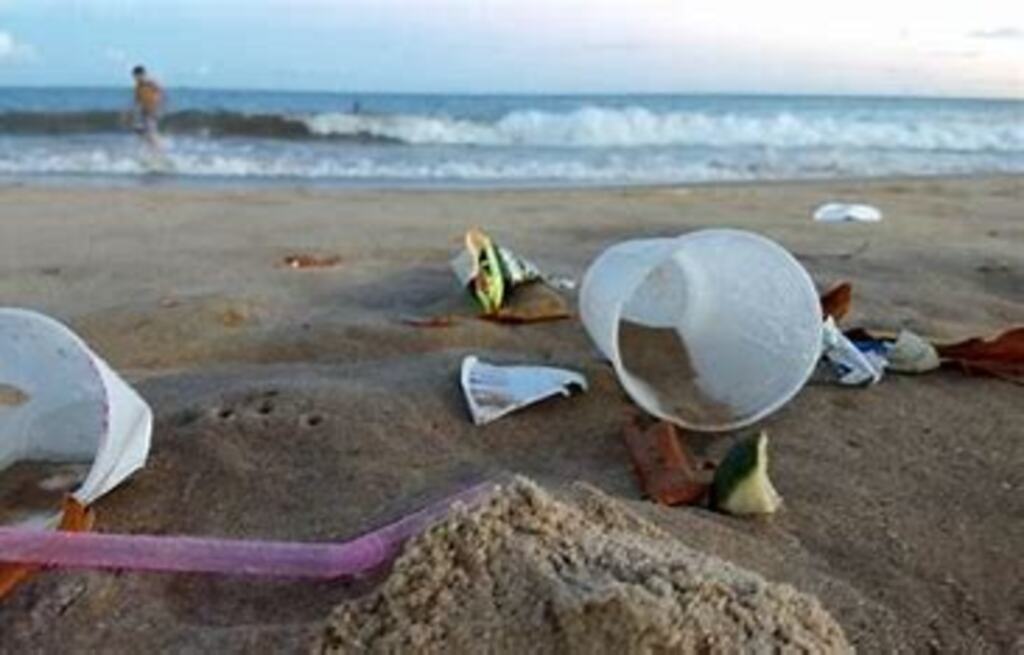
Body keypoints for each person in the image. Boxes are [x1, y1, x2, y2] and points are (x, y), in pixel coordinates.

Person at [130, 65, 164, 149]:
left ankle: (158, 149)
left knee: (150, 131)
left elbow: (160, 92)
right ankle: (151, 147)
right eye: (134, 77)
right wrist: (133, 112)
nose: (136, 78)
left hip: (152, 111)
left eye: (137, 76)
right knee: (138, 130)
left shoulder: (150, 82)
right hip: (143, 111)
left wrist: (157, 103)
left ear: (142, 74)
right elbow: (137, 100)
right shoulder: (137, 86)